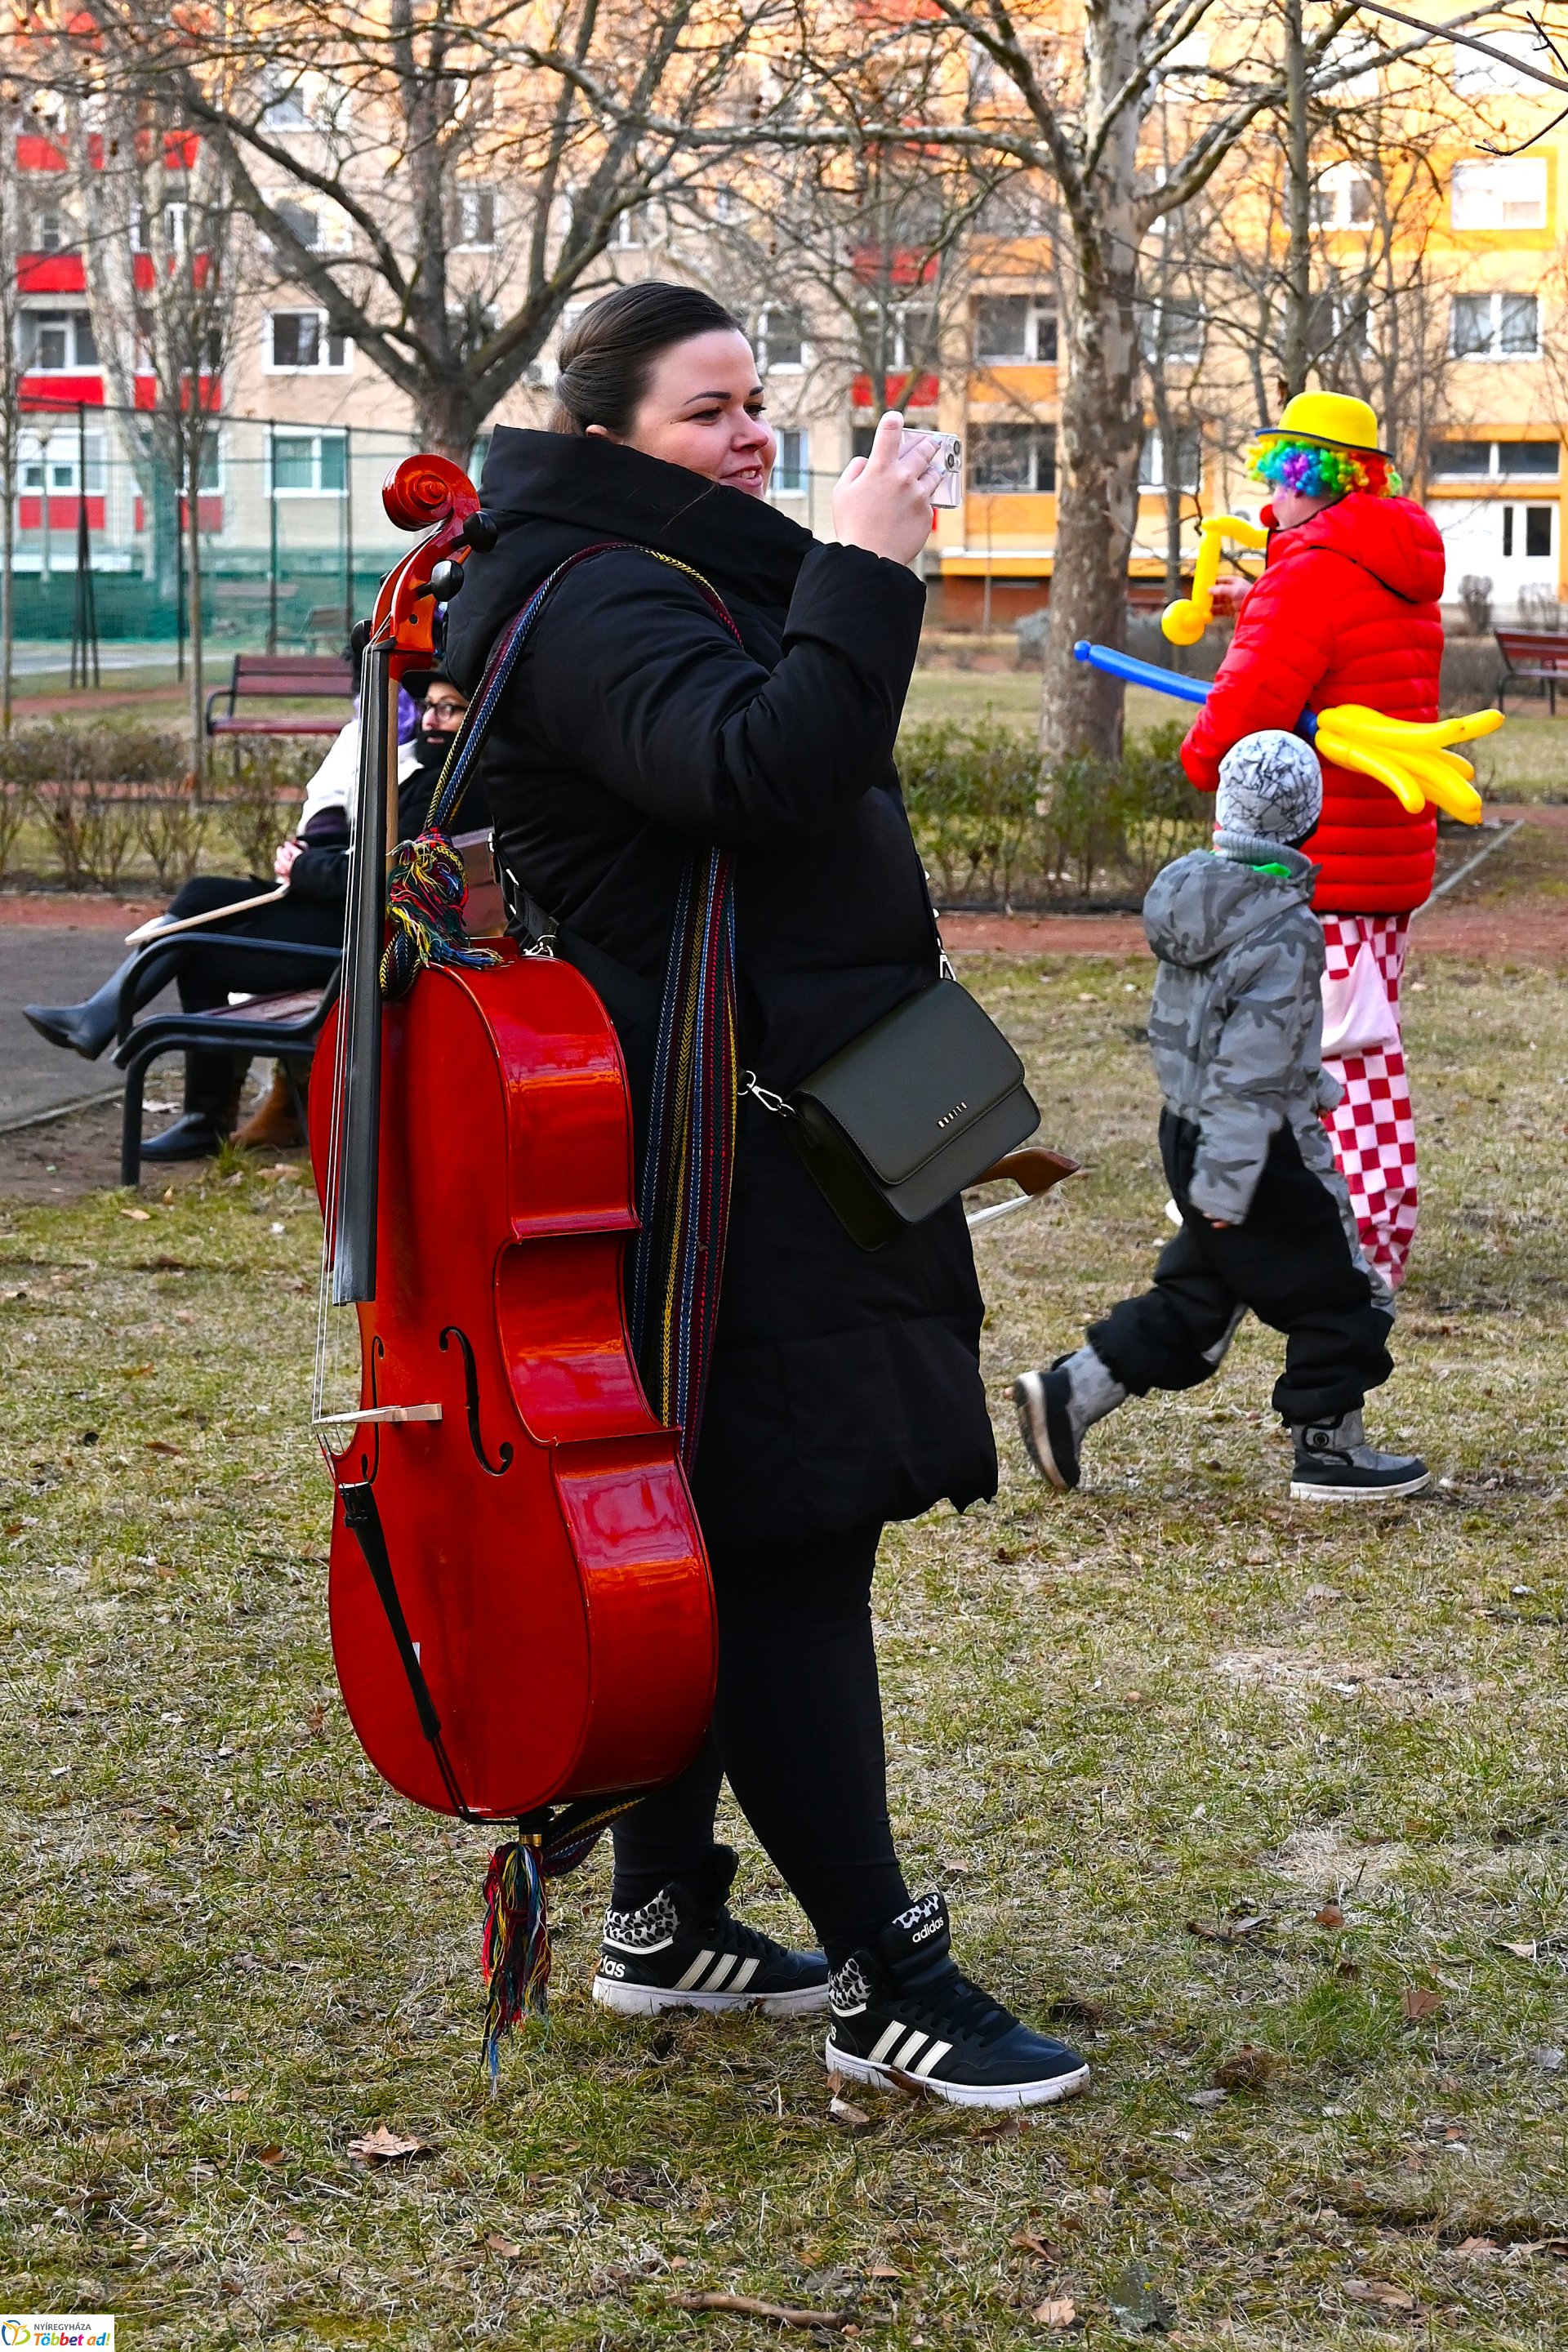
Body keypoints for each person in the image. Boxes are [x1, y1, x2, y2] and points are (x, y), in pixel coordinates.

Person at [443, 280, 1089, 2110]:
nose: (750, 437)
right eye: (706, 411)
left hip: (779, 1127)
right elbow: (767, 769)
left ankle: (665, 1911)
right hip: (722, 1165)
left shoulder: (653, 574)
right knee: (785, 1550)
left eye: (753, 404)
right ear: (607, 433)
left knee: (724, 1538)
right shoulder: (600, 596)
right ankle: (892, 1981)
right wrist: (868, 563)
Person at [1013, 731, 1429, 1505]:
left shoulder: (1192, 898)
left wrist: (1259, 1128)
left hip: (1190, 1128)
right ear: (1310, 820)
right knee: (1343, 1291)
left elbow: (1210, 1036)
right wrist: (1230, 1184)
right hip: (1258, 1147)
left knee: (1201, 1298)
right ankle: (1330, 1450)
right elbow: (1250, 1070)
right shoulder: (1286, 928)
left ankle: (1070, 1393)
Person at [1177, 393, 1445, 1292]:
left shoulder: (1311, 575)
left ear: (1320, 479)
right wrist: (1258, 602)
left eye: (1284, 475)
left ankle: (1368, 1245)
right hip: (1384, 852)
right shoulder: (1391, 561)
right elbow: (1349, 658)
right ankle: (1276, 1222)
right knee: (1328, 1044)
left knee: (1345, 1059)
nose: (1271, 499)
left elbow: (1245, 708)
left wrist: (1202, 756)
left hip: (1318, 859)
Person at [22, 673, 477, 1160]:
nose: (431, 719)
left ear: (474, 719)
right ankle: (106, 1023)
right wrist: (311, 856)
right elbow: (367, 857)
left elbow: (383, 879)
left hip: (358, 940)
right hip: (349, 921)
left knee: (199, 954)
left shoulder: (447, 791)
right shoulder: (440, 776)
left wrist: (303, 867)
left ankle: (195, 1109)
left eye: (448, 709)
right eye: (429, 706)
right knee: (203, 895)